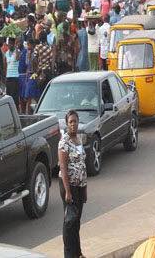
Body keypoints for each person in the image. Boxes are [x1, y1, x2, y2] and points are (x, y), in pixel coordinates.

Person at [58, 110, 87, 258]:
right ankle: (69, 254)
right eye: (71, 122)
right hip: (69, 186)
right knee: (70, 222)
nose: (74, 124)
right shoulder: (64, 142)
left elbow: (82, 164)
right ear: (67, 124)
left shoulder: (79, 139)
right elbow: (63, 167)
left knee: (77, 221)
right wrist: (68, 192)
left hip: (80, 186)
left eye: (75, 121)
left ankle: (78, 253)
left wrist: (85, 189)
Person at [4, 38, 20, 106]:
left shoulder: (17, 51)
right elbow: (5, 65)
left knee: (14, 96)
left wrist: (16, 46)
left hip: (15, 76)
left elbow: (17, 58)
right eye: (9, 43)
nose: (10, 45)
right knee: (8, 95)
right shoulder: (6, 53)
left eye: (11, 43)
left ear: (14, 44)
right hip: (8, 77)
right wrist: (5, 76)